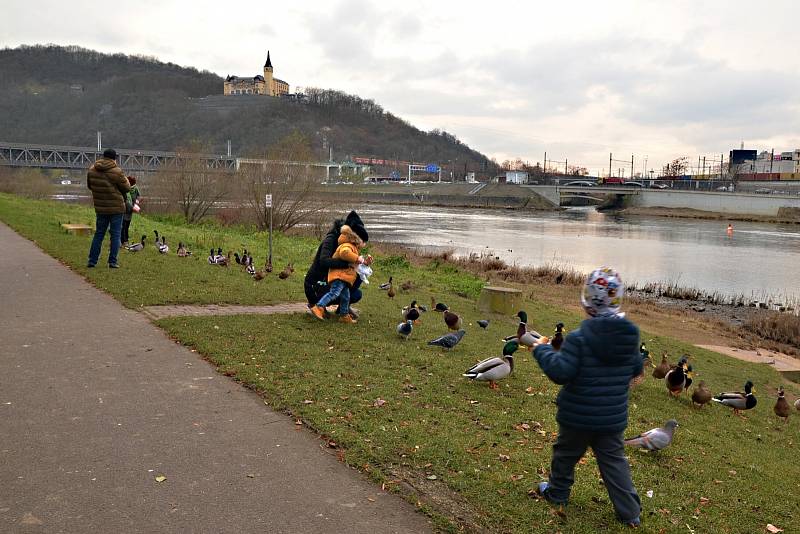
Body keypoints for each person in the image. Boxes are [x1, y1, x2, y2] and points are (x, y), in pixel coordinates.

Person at [532, 267, 643, 528]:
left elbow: (561, 372)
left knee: (565, 455)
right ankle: (630, 513)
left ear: (588, 302)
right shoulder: (629, 338)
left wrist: (542, 351)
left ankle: (558, 493)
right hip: (612, 419)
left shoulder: (579, 339)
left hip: (577, 418)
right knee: (614, 462)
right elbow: (636, 368)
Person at [304, 211, 371, 319]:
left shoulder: (349, 244)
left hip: (334, 278)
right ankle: (317, 305)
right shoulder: (331, 239)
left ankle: (343, 308)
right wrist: (349, 264)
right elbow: (324, 261)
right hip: (316, 282)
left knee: (357, 290)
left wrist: (362, 264)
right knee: (336, 291)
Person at [86, 148, 131, 268]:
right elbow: (127, 188)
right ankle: (112, 262)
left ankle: (92, 261)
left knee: (99, 234)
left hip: (100, 208)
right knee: (115, 235)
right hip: (116, 208)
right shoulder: (117, 171)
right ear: (114, 158)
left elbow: (90, 186)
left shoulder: (92, 170)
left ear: (103, 157)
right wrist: (125, 179)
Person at [121, 175, 141, 246]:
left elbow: (138, 195)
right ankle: (123, 241)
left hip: (130, 211)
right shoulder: (125, 190)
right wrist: (132, 207)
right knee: (123, 226)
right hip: (124, 210)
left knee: (127, 226)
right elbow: (126, 201)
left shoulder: (135, 188)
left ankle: (125, 240)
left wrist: (137, 201)